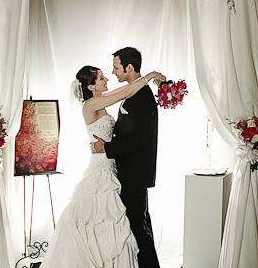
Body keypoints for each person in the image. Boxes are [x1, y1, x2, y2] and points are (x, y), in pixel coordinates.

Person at [39, 64, 164, 267]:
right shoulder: (90, 105)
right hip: (101, 169)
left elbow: (126, 92)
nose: (107, 79)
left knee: (112, 220)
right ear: (91, 87)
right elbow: (127, 90)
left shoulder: (100, 102)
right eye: (101, 78)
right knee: (99, 218)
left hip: (111, 166)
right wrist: (150, 75)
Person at [92, 47, 161, 268]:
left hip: (135, 173)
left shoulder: (142, 96)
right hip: (129, 171)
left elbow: (139, 139)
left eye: (116, 67)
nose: (113, 73)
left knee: (138, 228)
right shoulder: (133, 92)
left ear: (129, 68)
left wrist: (107, 148)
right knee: (137, 225)